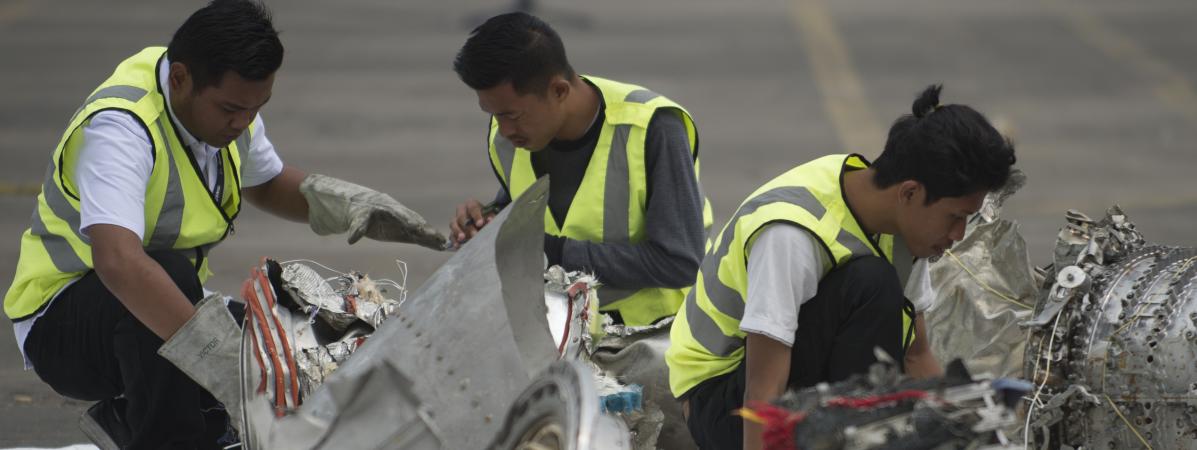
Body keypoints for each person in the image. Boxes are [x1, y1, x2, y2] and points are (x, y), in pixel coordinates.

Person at [3, 1, 445, 448]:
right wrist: (216, 359)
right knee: (182, 298)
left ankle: (160, 420)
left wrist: (356, 207)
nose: (243, 122)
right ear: (180, 79)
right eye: (232, 109)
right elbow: (119, 264)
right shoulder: (120, 129)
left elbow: (269, 184)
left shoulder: (225, 104)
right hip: (62, 326)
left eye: (256, 108)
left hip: (159, 300)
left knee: (287, 340)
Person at [665, 84, 1017, 450]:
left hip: (788, 384)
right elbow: (763, 389)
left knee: (878, 295)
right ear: (910, 192)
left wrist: (971, 432)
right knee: (870, 283)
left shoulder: (897, 221)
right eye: (955, 217)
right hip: (725, 404)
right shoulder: (791, 234)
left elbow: (916, 354)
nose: (958, 234)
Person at [449, 12, 712, 328]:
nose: (503, 129)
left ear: (559, 91)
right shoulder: (508, 137)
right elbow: (532, 207)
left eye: (512, 115)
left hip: (657, 336)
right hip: (560, 331)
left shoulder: (653, 129)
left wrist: (545, 251)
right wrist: (488, 223)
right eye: (492, 113)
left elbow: (678, 261)